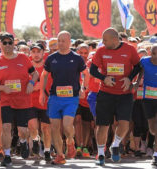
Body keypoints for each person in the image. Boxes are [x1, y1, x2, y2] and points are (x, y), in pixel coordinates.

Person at [89, 28, 140, 165]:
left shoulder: (129, 49)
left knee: (124, 123)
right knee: (103, 125)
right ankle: (100, 154)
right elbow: (92, 69)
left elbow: (137, 66)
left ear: (115, 39)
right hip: (106, 93)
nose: (103, 42)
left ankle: (115, 144)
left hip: (124, 94)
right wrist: (103, 77)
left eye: (105, 40)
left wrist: (130, 78)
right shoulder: (101, 51)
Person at [0, 32, 39, 166]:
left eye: (10, 42)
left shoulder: (23, 58)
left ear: (13, 43)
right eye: (4, 43)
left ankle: (23, 142)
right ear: (0, 44)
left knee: (23, 131)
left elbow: (35, 73)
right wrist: (3, 88)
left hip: (23, 100)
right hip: (7, 101)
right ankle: (7, 156)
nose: (7, 45)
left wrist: (31, 83)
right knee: (6, 127)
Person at [39, 31, 86, 165]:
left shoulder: (77, 58)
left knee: (67, 125)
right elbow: (44, 75)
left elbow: (85, 74)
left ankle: (70, 140)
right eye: (59, 40)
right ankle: (60, 155)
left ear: (69, 42)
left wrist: (84, 88)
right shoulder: (51, 58)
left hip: (71, 97)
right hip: (55, 97)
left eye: (63, 40)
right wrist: (42, 92)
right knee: (54, 127)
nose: (60, 43)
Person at [28, 43, 52, 161]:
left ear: (43, 52)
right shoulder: (26, 66)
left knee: (46, 128)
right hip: (30, 102)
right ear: (30, 53)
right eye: (33, 52)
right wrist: (34, 87)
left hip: (46, 101)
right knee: (33, 127)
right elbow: (23, 86)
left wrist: (41, 86)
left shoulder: (49, 66)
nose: (36, 54)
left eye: (39, 52)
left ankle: (47, 151)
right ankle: (35, 140)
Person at [136, 44, 157, 166]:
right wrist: (136, 83)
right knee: (153, 129)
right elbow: (139, 72)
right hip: (148, 98)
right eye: (153, 54)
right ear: (150, 53)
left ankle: (156, 155)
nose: (155, 57)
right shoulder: (144, 61)